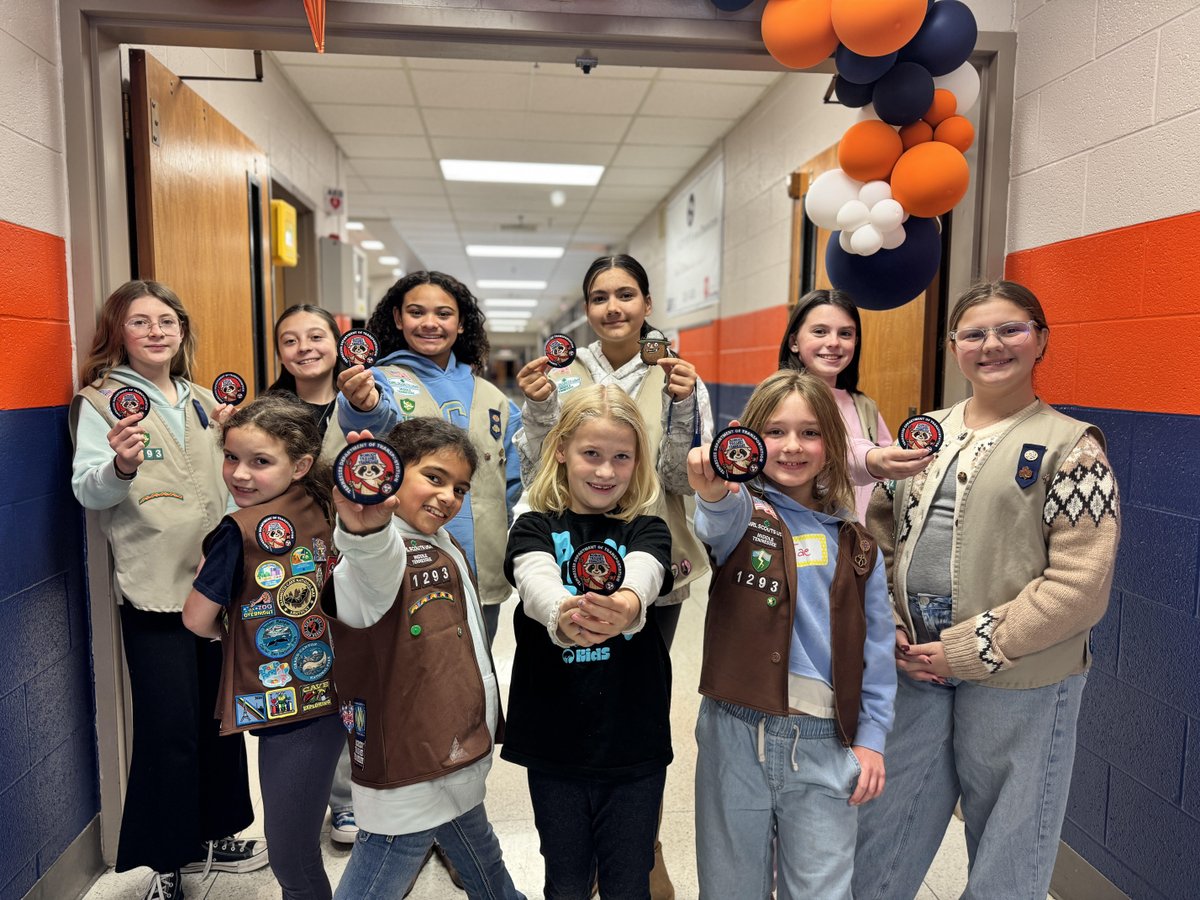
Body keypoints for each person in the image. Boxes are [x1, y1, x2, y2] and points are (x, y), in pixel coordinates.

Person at [852, 280, 1121, 900]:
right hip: (914, 663)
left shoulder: (1072, 447)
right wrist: (886, 622)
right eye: (974, 333)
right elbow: (881, 534)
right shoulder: (927, 435)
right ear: (953, 348)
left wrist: (972, 648)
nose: (991, 345)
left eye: (1011, 330)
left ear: (1041, 341)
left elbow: (1080, 586)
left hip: (1020, 676)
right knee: (883, 829)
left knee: (1009, 846)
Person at [515, 254, 713, 897]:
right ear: (586, 309)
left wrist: (684, 410)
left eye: (626, 294)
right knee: (582, 691)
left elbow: (684, 479)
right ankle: (587, 846)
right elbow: (543, 461)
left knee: (635, 695)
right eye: (600, 297)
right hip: (569, 555)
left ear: (648, 304)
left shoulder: (677, 377)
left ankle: (637, 842)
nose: (614, 308)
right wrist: (539, 409)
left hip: (651, 552)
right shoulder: (561, 373)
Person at [69, 280, 266, 900]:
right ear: (117, 333)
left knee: (219, 716)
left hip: (218, 586)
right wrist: (120, 466)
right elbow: (88, 492)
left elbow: (237, 483)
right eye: (139, 322)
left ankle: (216, 832)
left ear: (182, 331)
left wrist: (240, 447)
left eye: (167, 321)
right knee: (170, 727)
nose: (156, 332)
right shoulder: (101, 404)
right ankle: (167, 862)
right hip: (156, 589)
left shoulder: (207, 402)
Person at [687, 369, 896, 900]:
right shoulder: (743, 513)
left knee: (823, 887)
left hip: (825, 740)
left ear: (832, 443)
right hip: (736, 733)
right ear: (751, 438)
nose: (792, 446)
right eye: (776, 432)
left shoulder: (856, 541)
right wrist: (712, 489)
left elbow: (876, 653)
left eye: (809, 433)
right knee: (731, 885)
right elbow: (715, 516)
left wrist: (871, 740)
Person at [323, 419, 524, 900]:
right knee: (384, 864)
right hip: (410, 758)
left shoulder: (444, 543)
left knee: (479, 849)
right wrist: (364, 529)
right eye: (433, 478)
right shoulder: (384, 548)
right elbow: (372, 567)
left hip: (451, 743)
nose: (448, 497)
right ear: (392, 474)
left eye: (460, 487)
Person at [504, 384, 674, 899]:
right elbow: (533, 578)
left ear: (637, 460)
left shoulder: (648, 527)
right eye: (591, 454)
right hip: (554, 743)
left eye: (621, 457)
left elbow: (646, 571)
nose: (605, 471)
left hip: (632, 746)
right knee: (566, 879)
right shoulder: (533, 524)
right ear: (561, 451)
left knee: (628, 881)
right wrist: (563, 613)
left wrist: (623, 606)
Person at [182, 393, 346, 900]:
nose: (240, 474)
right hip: (332, 687)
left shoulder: (239, 531)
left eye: (259, 462)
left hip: (291, 712)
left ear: (299, 464)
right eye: (231, 457)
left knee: (292, 859)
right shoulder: (317, 501)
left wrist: (232, 633)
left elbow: (195, 619)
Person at [337, 272, 521, 646]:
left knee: (475, 669)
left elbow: (512, 481)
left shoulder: (495, 399)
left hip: (481, 567)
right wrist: (363, 403)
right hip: (403, 563)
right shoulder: (378, 380)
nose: (430, 323)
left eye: (444, 314)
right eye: (417, 312)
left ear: (461, 322)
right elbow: (370, 419)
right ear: (398, 318)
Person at [269, 304, 358, 845]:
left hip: (356, 557)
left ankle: (360, 793)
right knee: (312, 676)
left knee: (359, 676)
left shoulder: (365, 405)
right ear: (278, 351)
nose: (304, 348)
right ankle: (337, 803)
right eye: (290, 340)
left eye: (316, 336)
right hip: (291, 566)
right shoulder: (264, 412)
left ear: (337, 340)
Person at [778, 288, 930, 521]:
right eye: (820, 331)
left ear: (856, 342)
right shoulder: (779, 400)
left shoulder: (865, 406)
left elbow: (886, 470)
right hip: (804, 540)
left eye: (845, 334)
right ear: (794, 342)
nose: (833, 343)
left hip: (859, 544)